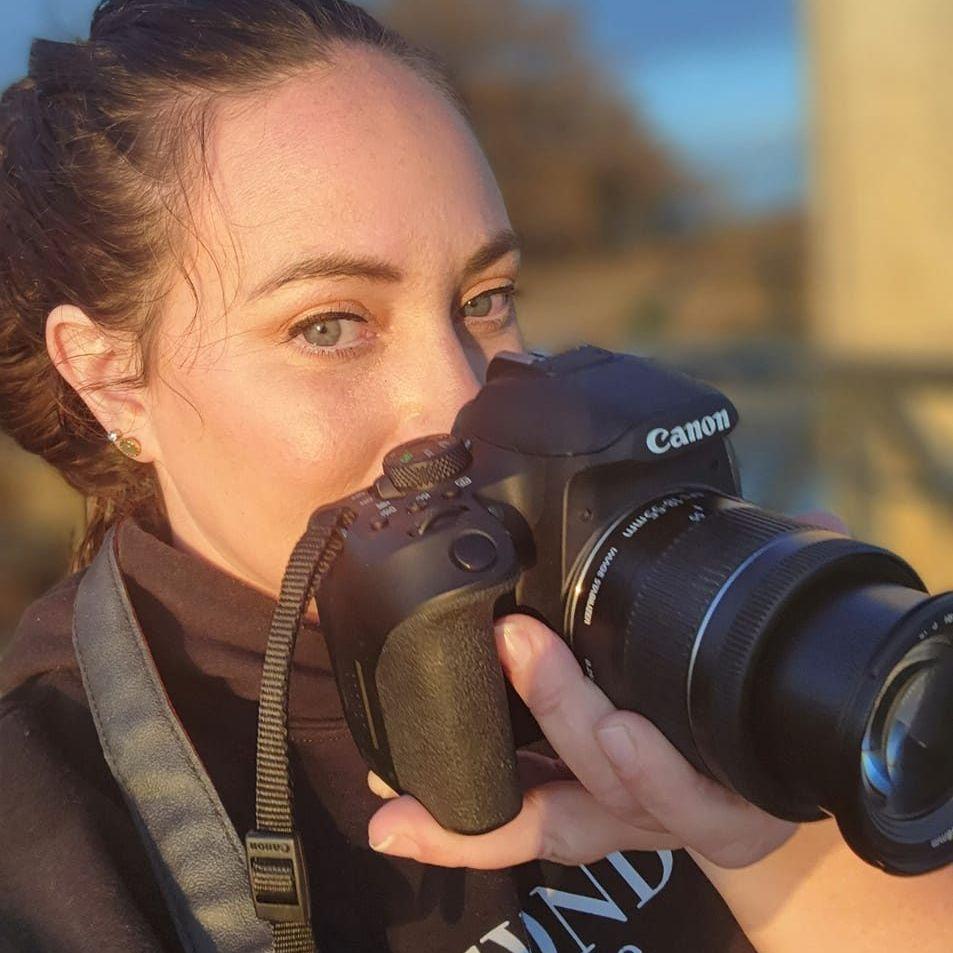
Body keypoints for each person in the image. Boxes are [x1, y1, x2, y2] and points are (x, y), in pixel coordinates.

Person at [0, 2, 948, 951]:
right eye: (328, 325)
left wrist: (775, 842)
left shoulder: (626, 592)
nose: (459, 401)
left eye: (485, 299)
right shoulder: (50, 839)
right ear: (111, 378)